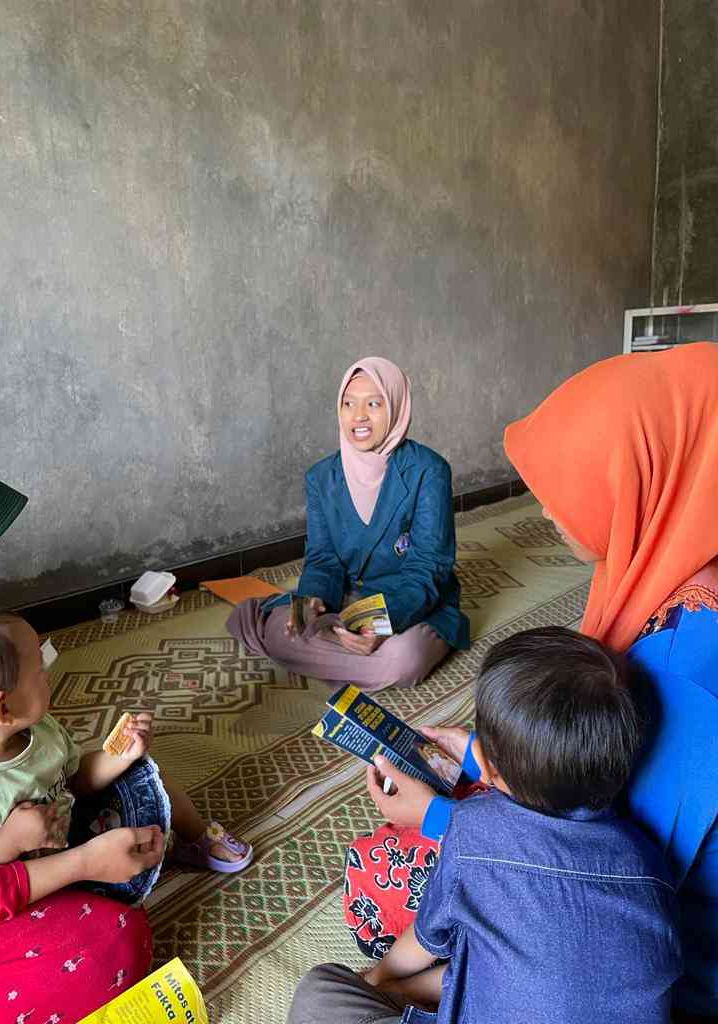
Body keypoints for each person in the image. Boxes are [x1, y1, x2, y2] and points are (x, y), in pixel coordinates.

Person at [345, 343, 718, 1022]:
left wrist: (434, 817)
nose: (546, 515)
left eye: (564, 492)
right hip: (604, 882)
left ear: (642, 480)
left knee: (383, 873)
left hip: (668, 958)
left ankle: (452, 985)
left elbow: (606, 882)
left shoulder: (687, 676)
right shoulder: (677, 568)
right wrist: (485, 756)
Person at [291, 627, 681, 1024]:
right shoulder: (648, 862)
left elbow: (425, 942)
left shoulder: (472, 828)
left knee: (320, 990)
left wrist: (374, 981)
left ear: (488, 765)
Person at [0, 445, 158, 1021]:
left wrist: (113, 760)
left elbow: (74, 775)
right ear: (0, 708)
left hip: (21, 864)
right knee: (106, 946)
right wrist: (76, 865)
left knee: (144, 787)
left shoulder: (25, 723)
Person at [0, 611, 253, 883]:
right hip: (40, 878)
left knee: (142, 770)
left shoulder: (41, 730)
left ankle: (195, 836)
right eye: (40, 670)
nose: (49, 675)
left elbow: (77, 779)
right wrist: (9, 841)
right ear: (3, 708)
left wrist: (119, 756)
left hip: (80, 826)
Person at [228, 357, 469, 691]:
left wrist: (380, 623)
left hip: (406, 601)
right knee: (283, 628)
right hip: (344, 598)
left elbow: (429, 567)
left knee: (404, 660)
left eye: (374, 403)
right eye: (348, 403)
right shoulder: (321, 477)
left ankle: (339, 650)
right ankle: (348, 650)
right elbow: (323, 559)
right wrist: (311, 601)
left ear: (397, 406)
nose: (359, 417)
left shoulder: (429, 470)